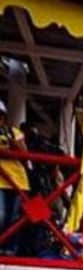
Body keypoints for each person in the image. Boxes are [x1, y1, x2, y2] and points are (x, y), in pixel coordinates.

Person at [0, 99, 28, 255]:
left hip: (17, 180)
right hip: (1, 181)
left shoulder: (13, 132)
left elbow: (24, 153)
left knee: (14, 219)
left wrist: (11, 141)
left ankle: (10, 250)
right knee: (1, 215)